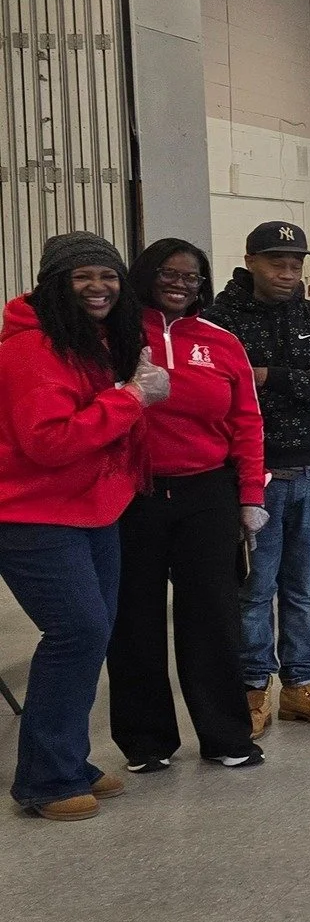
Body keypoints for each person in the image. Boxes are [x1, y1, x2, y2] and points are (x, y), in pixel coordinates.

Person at [0, 233, 164, 820]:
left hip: (93, 508)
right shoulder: (29, 349)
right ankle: (45, 779)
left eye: (109, 276)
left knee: (90, 636)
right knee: (76, 634)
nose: (99, 288)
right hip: (33, 514)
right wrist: (129, 399)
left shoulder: (88, 340)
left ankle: (68, 759)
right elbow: (48, 442)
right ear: (54, 284)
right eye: (82, 277)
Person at [107, 239, 265, 775]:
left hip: (208, 494)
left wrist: (251, 497)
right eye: (168, 273)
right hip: (134, 495)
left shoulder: (221, 341)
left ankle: (225, 734)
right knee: (134, 619)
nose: (180, 283)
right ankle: (145, 741)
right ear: (146, 275)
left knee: (213, 616)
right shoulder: (117, 335)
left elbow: (246, 422)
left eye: (192, 276)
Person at [204, 222, 310, 736]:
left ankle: (301, 684)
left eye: (295, 263)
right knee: (255, 586)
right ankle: (251, 687)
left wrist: (271, 376)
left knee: (302, 585)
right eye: (275, 262)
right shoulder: (219, 321)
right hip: (252, 475)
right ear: (250, 261)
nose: (287, 272)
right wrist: (285, 383)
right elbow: (225, 393)